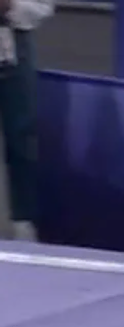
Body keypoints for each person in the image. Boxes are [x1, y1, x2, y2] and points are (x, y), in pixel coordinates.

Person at [0, 0, 54, 241]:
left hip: (13, 43)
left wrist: (10, 6)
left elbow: (43, 6)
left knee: (21, 136)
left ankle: (24, 221)